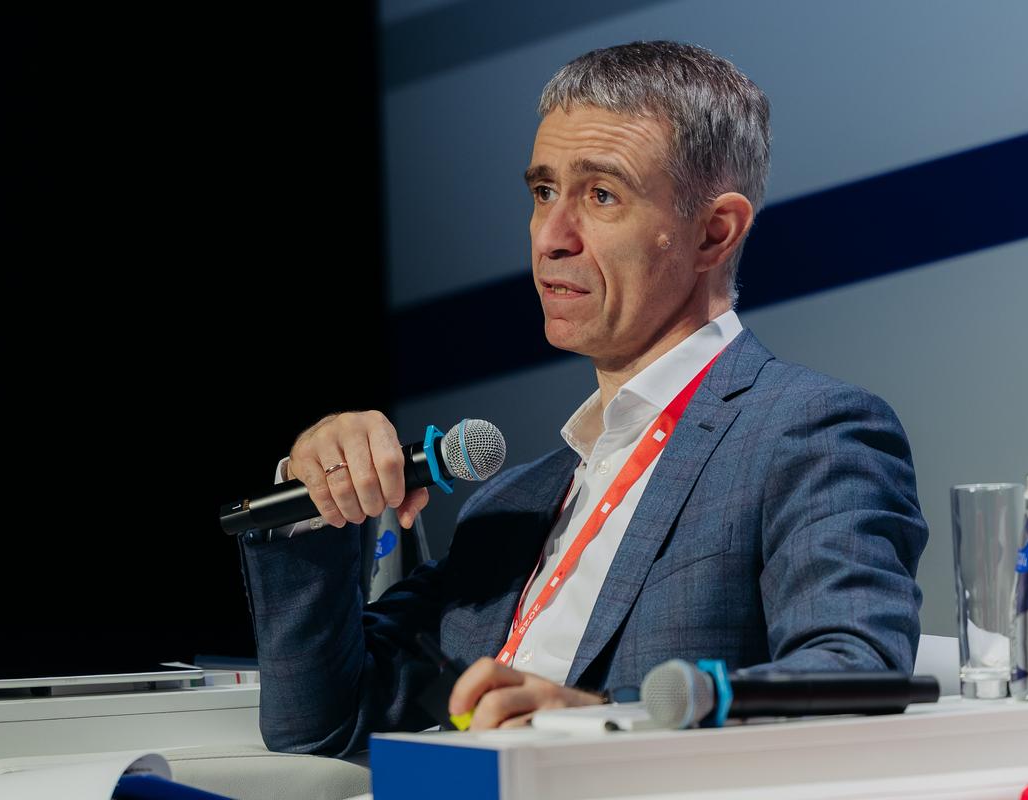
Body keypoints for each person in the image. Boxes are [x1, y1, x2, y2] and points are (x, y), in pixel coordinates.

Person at [237, 40, 928, 757]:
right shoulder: (511, 503)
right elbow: (320, 723)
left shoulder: (808, 432)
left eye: (601, 195)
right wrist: (313, 505)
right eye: (543, 193)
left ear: (713, 233)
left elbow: (856, 677)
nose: (551, 237)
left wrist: (602, 722)